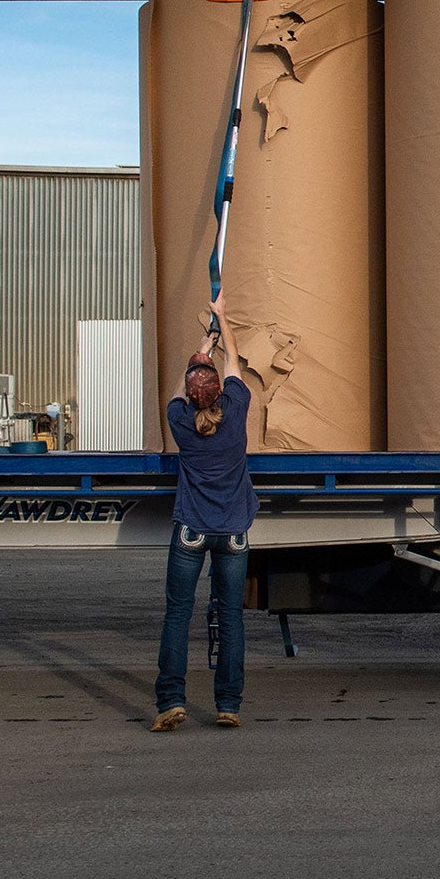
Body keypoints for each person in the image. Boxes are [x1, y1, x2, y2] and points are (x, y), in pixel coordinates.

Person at [152, 296, 259, 731]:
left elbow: (182, 390)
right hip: (233, 531)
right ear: (217, 391)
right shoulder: (235, 412)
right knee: (231, 617)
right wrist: (223, 320)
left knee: (178, 613)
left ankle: (170, 701)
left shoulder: (179, 420)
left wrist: (199, 351)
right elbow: (234, 362)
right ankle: (228, 704)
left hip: (192, 530)